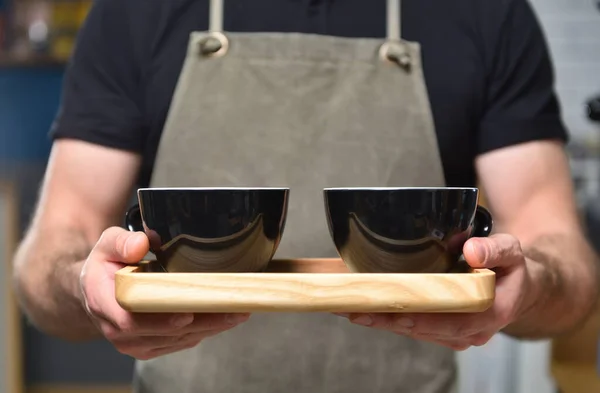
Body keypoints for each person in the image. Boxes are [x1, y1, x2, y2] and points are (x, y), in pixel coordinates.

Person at [11, 0, 600, 392]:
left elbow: (565, 264)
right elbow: (49, 257)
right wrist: (82, 286)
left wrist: (532, 287)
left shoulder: (487, 13)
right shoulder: (136, 12)